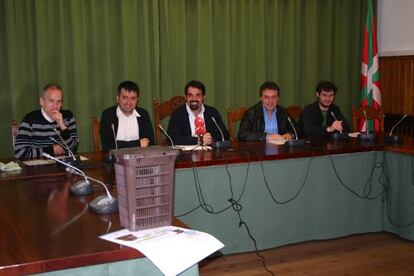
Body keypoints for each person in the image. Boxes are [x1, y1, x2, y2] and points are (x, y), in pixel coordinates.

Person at [14, 83, 79, 160]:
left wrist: (62, 126)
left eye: (59, 101)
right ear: (41, 101)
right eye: (51, 101)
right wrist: (51, 150)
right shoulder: (30, 120)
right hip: (39, 169)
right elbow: (19, 153)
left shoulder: (68, 117)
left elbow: (74, 149)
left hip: (64, 168)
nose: (55, 106)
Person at [167, 80, 229, 145]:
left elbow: (225, 135)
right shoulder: (177, 115)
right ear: (185, 97)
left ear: (203, 97)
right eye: (190, 95)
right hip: (186, 154)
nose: (194, 99)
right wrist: (198, 140)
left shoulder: (212, 113)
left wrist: (212, 139)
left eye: (198, 95)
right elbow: (171, 139)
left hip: (209, 153)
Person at [100, 81, 155, 151]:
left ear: (137, 100)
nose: (128, 102)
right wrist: (138, 144)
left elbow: (150, 142)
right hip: (116, 160)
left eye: (133, 98)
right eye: (125, 98)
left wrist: (121, 144)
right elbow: (108, 145)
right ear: (117, 98)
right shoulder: (108, 115)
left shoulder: (143, 114)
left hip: (139, 159)